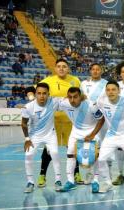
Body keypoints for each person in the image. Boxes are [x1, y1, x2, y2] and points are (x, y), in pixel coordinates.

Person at [37, 59, 82, 188]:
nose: (61, 69)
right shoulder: (48, 81)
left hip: (71, 121)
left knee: (72, 149)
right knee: (50, 149)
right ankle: (42, 175)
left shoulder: (75, 81)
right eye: (59, 66)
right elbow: (35, 91)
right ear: (55, 69)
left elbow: (80, 98)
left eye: (64, 66)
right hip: (53, 121)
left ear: (68, 69)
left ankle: (76, 173)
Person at [93, 80, 124, 194]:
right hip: (111, 136)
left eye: (114, 89)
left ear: (119, 90)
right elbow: (94, 110)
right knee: (101, 159)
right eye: (108, 90)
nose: (111, 92)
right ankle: (107, 183)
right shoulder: (101, 102)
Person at [59, 87, 104, 193]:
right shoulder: (64, 103)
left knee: (95, 156)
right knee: (70, 154)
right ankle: (70, 181)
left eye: (75, 97)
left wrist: (93, 134)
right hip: (75, 132)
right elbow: (51, 101)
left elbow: (101, 119)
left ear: (81, 97)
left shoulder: (91, 105)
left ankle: (95, 181)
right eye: (70, 97)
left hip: (91, 131)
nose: (72, 100)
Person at [21, 83, 62, 193]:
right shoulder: (28, 107)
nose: (42, 96)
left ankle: (58, 181)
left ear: (49, 94)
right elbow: (23, 124)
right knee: (28, 155)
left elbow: (70, 100)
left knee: (55, 153)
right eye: (39, 93)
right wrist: (27, 139)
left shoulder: (54, 101)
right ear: (35, 94)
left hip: (50, 135)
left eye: (44, 93)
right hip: (35, 136)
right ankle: (30, 182)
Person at [80, 63, 108, 184]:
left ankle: (107, 174)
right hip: (88, 118)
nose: (96, 71)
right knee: (90, 147)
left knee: (104, 147)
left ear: (101, 71)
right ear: (90, 71)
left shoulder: (106, 83)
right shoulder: (83, 83)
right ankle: (90, 173)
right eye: (93, 69)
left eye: (98, 69)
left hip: (103, 117)